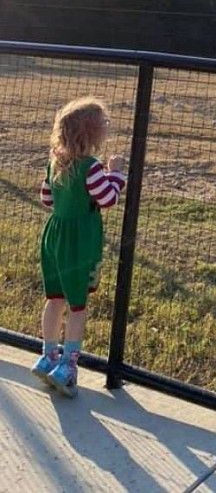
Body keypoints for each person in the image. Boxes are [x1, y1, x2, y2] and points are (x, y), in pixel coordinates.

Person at [31, 96, 126, 398]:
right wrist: (117, 175)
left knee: (55, 297)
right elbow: (108, 199)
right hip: (80, 243)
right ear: (92, 134)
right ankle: (69, 367)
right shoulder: (92, 168)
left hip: (54, 237)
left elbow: (47, 199)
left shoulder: (54, 163)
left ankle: (49, 356)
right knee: (78, 304)